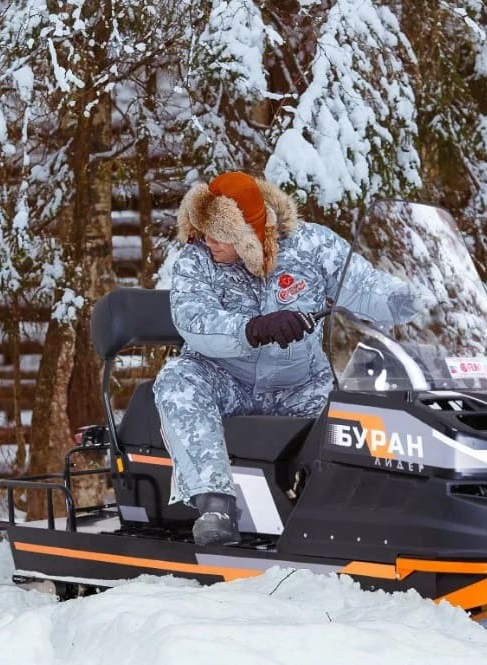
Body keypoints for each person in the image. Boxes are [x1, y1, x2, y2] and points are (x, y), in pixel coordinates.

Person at [153, 171, 416, 547]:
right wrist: (253, 328)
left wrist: (408, 300)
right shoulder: (196, 261)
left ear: (248, 234)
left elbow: (363, 286)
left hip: (301, 384)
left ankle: (380, 507)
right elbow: (193, 320)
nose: (208, 240)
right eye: (203, 230)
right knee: (178, 378)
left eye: (219, 233)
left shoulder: (312, 245)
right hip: (228, 379)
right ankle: (216, 505)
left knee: (362, 398)